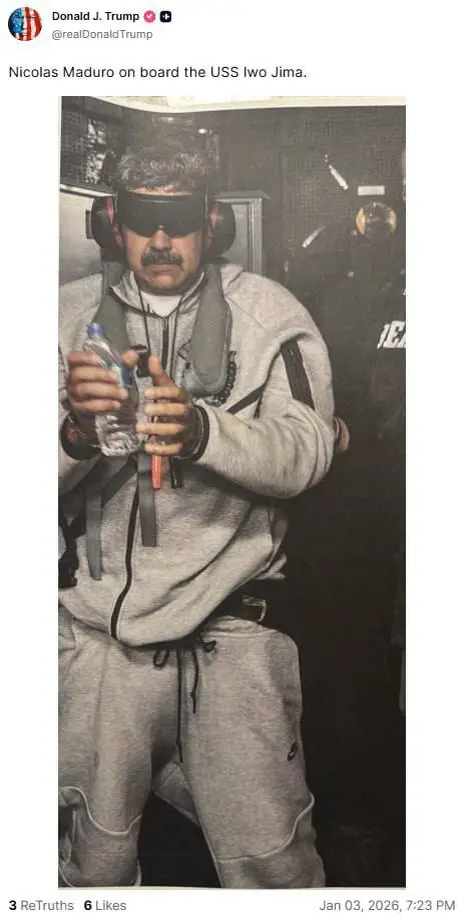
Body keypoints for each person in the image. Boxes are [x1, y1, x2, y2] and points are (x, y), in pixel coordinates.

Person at [58, 132, 338, 889]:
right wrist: (75, 435)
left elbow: (309, 449)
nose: (160, 240)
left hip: (232, 637)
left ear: (211, 224)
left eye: (178, 219)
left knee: (272, 868)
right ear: (111, 222)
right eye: (141, 218)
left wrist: (205, 432)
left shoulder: (270, 314)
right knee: (92, 868)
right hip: (99, 646)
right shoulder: (59, 319)